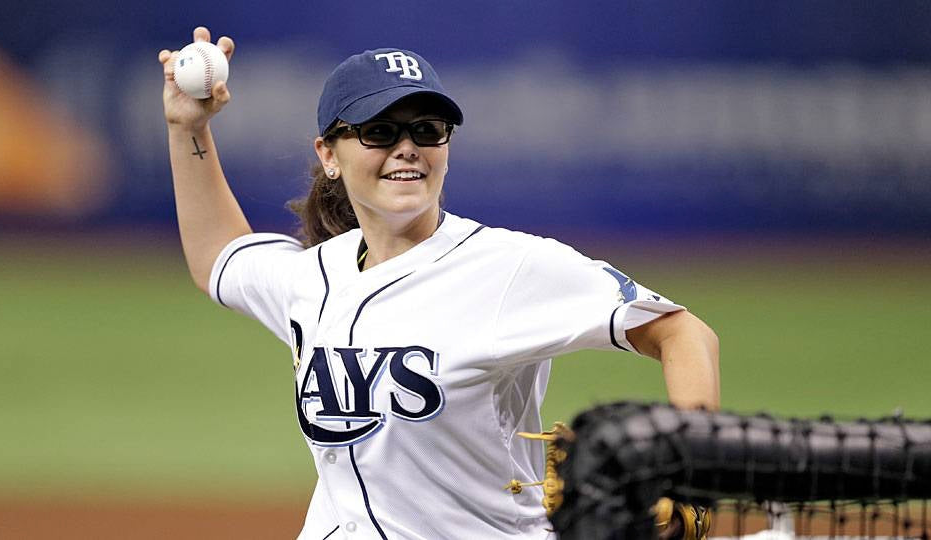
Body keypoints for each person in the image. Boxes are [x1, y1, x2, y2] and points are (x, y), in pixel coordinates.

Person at [159, 26, 719, 540]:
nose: (407, 147)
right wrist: (189, 128)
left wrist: (688, 470)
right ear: (329, 155)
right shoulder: (311, 277)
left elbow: (682, 333)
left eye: (426, 129)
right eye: (379, 131)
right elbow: (218, 257)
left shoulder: (509, 266)